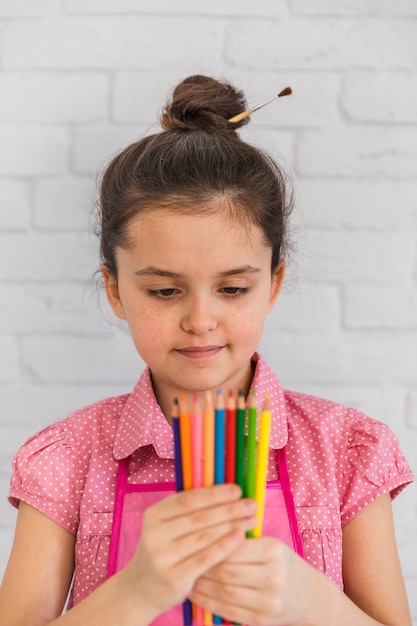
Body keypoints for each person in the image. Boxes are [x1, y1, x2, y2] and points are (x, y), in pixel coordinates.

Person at [0, 74, 413, 626]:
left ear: (274, 284)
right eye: (165, 291)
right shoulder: (67, 460)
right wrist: (136, 592)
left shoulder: (345, 453)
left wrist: (314, 606)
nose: (199, 321)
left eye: (233, 289)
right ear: (116, 291)